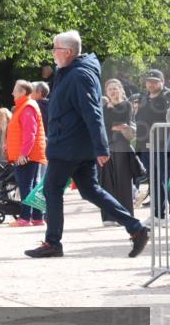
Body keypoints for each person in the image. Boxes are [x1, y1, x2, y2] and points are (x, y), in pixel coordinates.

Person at [25, 31, 149, 259]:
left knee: (52, 189)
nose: (52, 53)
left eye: (55, 49)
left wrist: (101, 147)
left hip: (69, 145)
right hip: (73, 144)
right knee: (90, 190)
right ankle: (136, 228)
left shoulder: (79, 75)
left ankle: (53, 243)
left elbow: (93, 112)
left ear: (68, 52)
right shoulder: (69, 72)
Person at [6, 81, 47, 227]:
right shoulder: (25, 106)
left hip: (26, 155)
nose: (12, 93)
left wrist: (23, 153)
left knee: (25, 186)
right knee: (33, 185)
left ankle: (25, 218)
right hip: (31, 153)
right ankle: (37, 217)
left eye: (15, 90)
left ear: (23, 91)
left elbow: (30, 133)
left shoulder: (27, 107)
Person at [99, 79, 139, 227]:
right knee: (107, 182)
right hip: (107, 146)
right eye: (110, 89)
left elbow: (124, 123)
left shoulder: (127, 105)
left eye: (115, 88)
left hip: (122, 146)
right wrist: (113, 125)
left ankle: (125, 216)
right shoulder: (105, 107)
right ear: (106, 92)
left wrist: (113, 121)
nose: (113, 91)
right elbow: (102, 126)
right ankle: (109, 217)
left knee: (123, 181)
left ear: (121, 89)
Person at [135, 69, 170, 226]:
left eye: (155, 81)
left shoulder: (167, 97)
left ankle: (162, 215)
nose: (151, 84)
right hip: (146, 145)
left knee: (163, 180)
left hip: (164, 146)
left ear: (162, 82)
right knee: (154, 181)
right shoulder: (143, 97)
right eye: (149, 81)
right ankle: (157, 215)